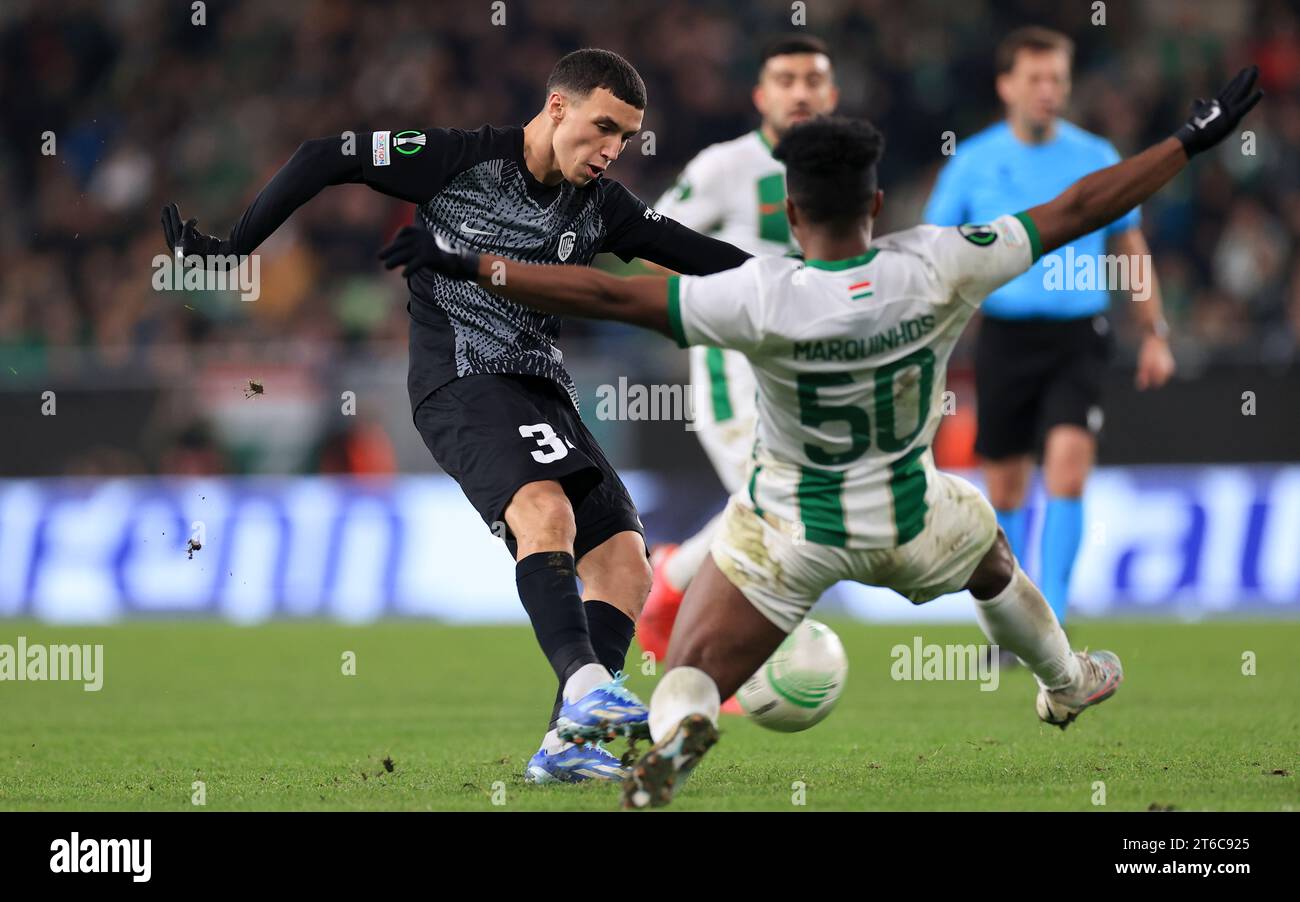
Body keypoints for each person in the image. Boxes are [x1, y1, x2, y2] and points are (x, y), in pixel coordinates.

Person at [376, 71, 1261, 809]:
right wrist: (1190, 141)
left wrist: (474, 263)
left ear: (791, 215)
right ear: (875, 203)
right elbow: (1076, 207)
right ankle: (1066, 679)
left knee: (686, 669)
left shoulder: (759, 294)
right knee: (990, 550)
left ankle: (682, 734)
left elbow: (606, 295)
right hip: (911, 519)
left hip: (788, 531)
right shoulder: (940, 262)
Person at [161, 48, 753, 785]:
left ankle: (567, 746)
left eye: (626, 139)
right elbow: (326, 156)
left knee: (625, 564)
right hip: (460, 382)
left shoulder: (602, 207)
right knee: (545, 513)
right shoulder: (458, 161)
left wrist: (808, 283)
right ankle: (585, 688)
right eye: (603, 127)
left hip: (543, 393)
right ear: (558, 106)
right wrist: (233, 249)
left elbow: (704, 257)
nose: (611, 150)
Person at [924, 27, 1177, 632]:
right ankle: (1013, 626)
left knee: (1067, 467)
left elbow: (1129, 245)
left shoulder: (1095, 157)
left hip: (1078, 337)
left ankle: (1054, 620)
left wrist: (1154, 331)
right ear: (1006, 85)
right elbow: (933, 253)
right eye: (1035, 78)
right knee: (1006, 491)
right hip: (1006, 337)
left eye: (1057, 79)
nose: (1048, 91)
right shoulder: (974, 161)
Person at [638, 36, 839, 697]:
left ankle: (669, 579)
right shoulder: (727, 164)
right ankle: (699, 657)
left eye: (814, 79)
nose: (801, 91)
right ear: (762, 95)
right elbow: (647, 238)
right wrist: (711, 308)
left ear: (832, 94)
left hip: (810, 373)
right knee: (776, 498)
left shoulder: (845, 169)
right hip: (737, 370)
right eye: (786, 79)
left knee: (787, 503)